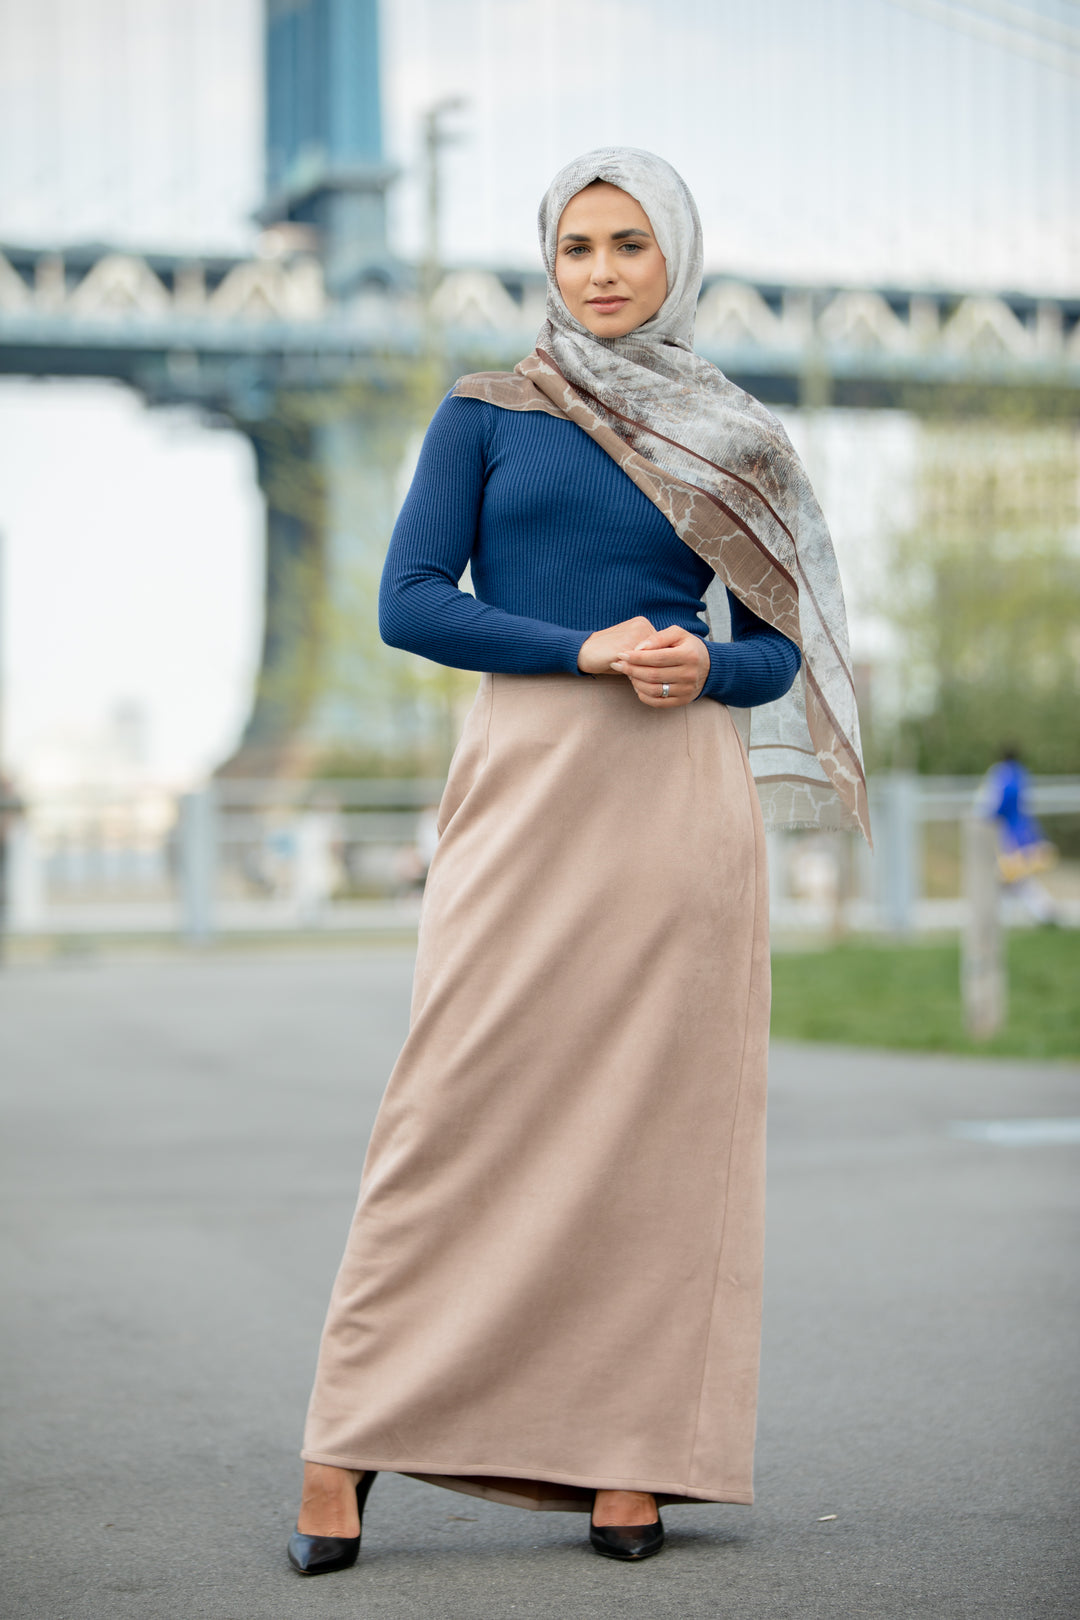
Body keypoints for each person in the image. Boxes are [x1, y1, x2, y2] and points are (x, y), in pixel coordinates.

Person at [287, 147, 868, 1576]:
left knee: (662, 1128)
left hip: (678, 803)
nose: (601, 271)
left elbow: (780, 651)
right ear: (549, 263)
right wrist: (584, 648)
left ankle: (632, 1458)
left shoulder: (737, 439)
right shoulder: (488, 413)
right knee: (455, 1102)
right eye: (577, 248)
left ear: (677, 255)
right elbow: (411, 604)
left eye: (629, 245)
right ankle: (343, 1438)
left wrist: (707, 666)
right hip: (527, 787)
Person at [979, 746, 1057, 924]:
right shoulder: (1022, 774)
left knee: (1010, 874)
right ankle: (1043, 911)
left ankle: (1043, 910)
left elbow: (1000, 803)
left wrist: (987, 816)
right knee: (1011, 877)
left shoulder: (1003, 775)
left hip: (1009, 833)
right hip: (1022, 829)